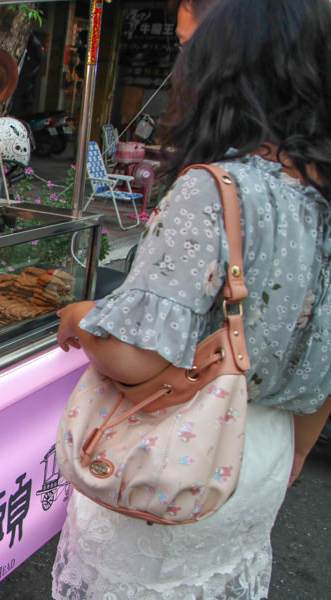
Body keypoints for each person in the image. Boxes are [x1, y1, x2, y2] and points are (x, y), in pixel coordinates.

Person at [51, 1, 331, 598]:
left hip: (181, 454)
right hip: (262, 457)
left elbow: (137, 359)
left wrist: (82, 318)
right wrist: (296, 453)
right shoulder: (321, 196)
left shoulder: (216, 189)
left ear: (223, 69)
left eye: (190, 52)